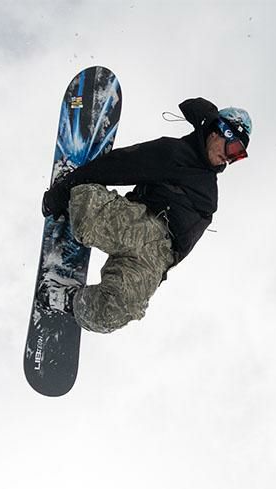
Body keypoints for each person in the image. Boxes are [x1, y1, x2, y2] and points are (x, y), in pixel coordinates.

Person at [41, 97, 252, 334]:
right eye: (234, 149)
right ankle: (78, 194)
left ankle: (66, 298)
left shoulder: (210, 196)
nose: (230, 159)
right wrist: (65, 188)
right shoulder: (177, 154)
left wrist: (156, 275)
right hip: (140, 224)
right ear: (218, 131)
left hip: (157, 258)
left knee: (113, 313)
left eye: (237, 157)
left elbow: (185, 246)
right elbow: (123, 164)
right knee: (87, 218)